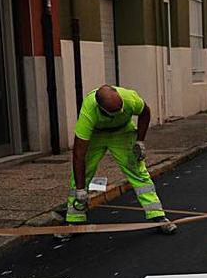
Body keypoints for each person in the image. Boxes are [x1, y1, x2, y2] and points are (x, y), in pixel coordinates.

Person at [61, 85, 176, 239]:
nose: (121, 112)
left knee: (137, 171)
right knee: (83, 172)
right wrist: (81, 189)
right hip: (97, 135)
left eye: (121, 108)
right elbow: (78, 155)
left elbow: (145, 113)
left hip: (123, 132)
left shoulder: (130, 98)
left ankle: (157, 215)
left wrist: (140, 141)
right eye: (115, 112)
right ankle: (74, 220)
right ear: (101, 109)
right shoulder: (88, 113)